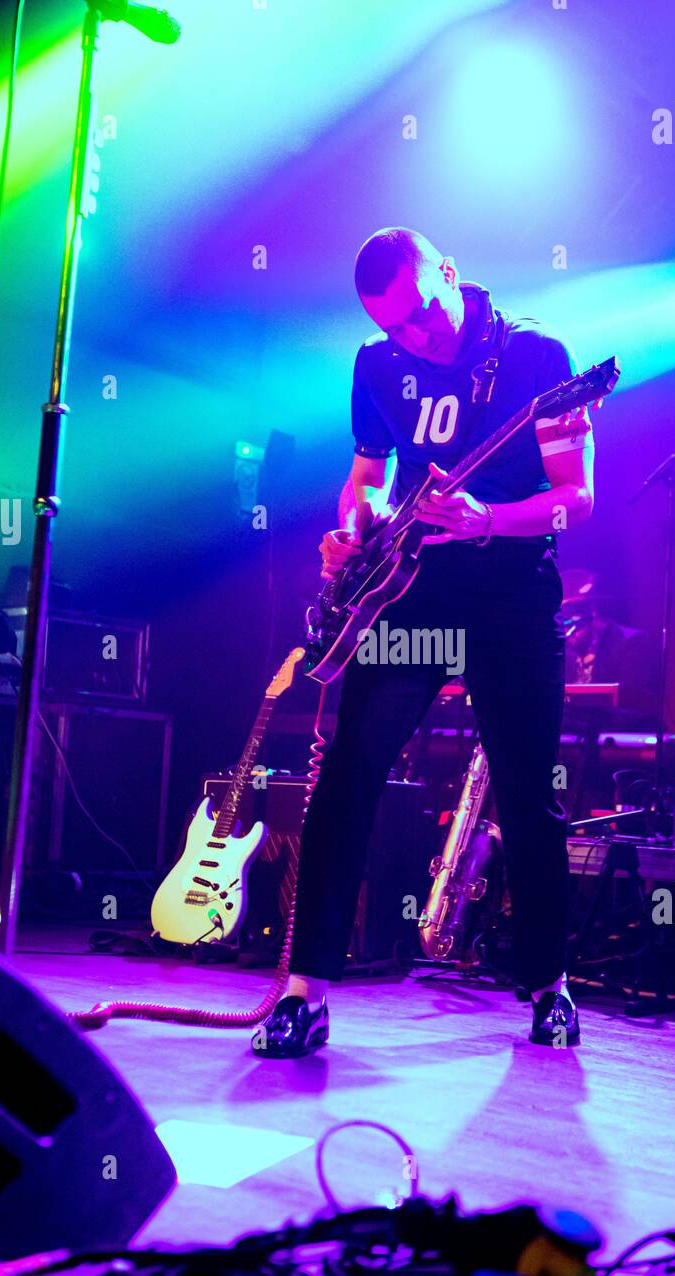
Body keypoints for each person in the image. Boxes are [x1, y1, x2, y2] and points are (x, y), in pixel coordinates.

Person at [259, 227, 597, 1056]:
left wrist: (489, 519)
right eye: (394, 326)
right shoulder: (376, 368)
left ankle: (549, 986)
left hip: (512, 592)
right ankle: (305, 992)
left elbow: (577, 497)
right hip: (411, 591)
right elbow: (366, 483)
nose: (413, 336)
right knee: (345, 775)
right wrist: (349, 532)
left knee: (526, 793)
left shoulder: (537, 358)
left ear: (450, 273)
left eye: (420, 315)